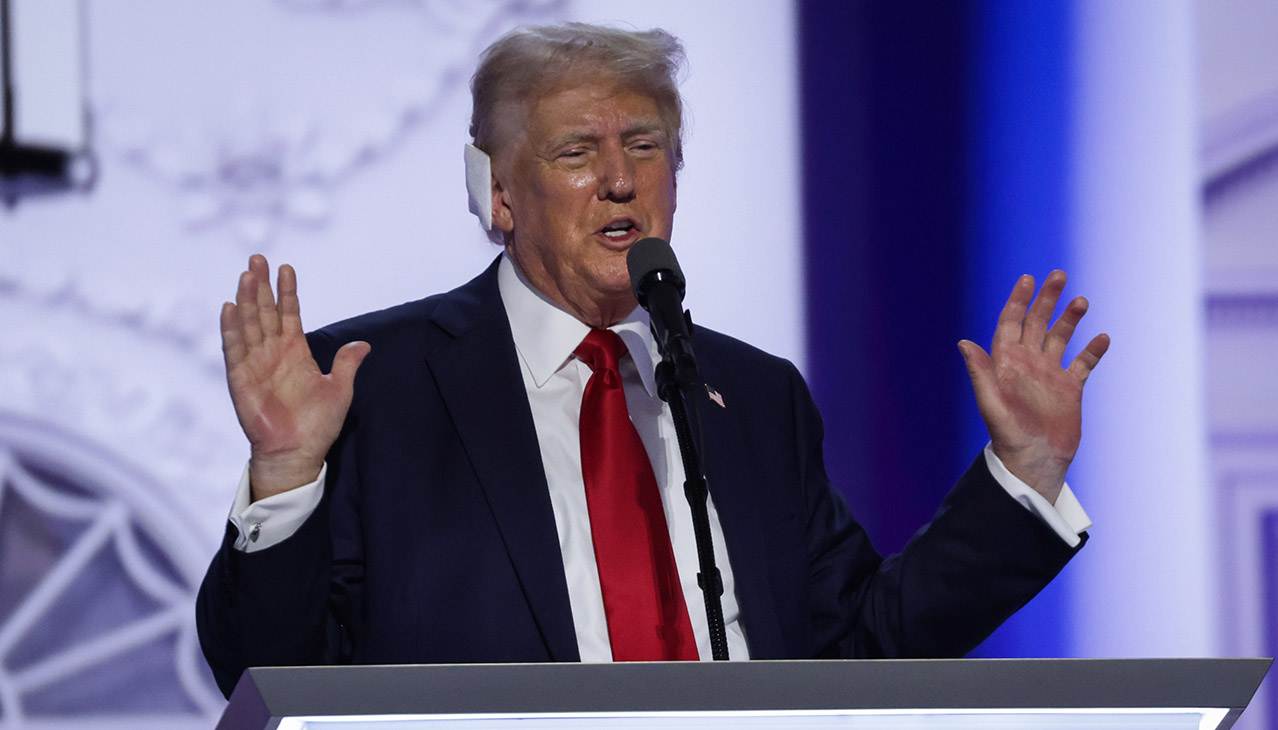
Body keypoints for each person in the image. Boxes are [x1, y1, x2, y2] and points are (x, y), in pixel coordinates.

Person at [197, 23, 1109, 698]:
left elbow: (861, 649)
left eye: (644, 146)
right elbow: (267, 671)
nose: (621, 179)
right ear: (500, 193)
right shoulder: (372, 385)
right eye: (576, 152)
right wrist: (283, 474)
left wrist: (1021, 474)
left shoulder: (754, 396)